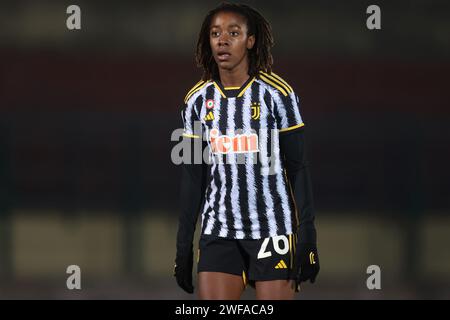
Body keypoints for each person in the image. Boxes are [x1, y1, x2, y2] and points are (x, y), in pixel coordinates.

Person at [174, 2, 319, 300]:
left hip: (272, 231)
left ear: (250, 41)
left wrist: (307, 232)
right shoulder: (197, 101)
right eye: (215, 33)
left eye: (233, 32)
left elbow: (298, 168)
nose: (222, 40)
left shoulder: (278, 94)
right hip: (219, 232)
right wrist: (183, 244)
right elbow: (193, 176)